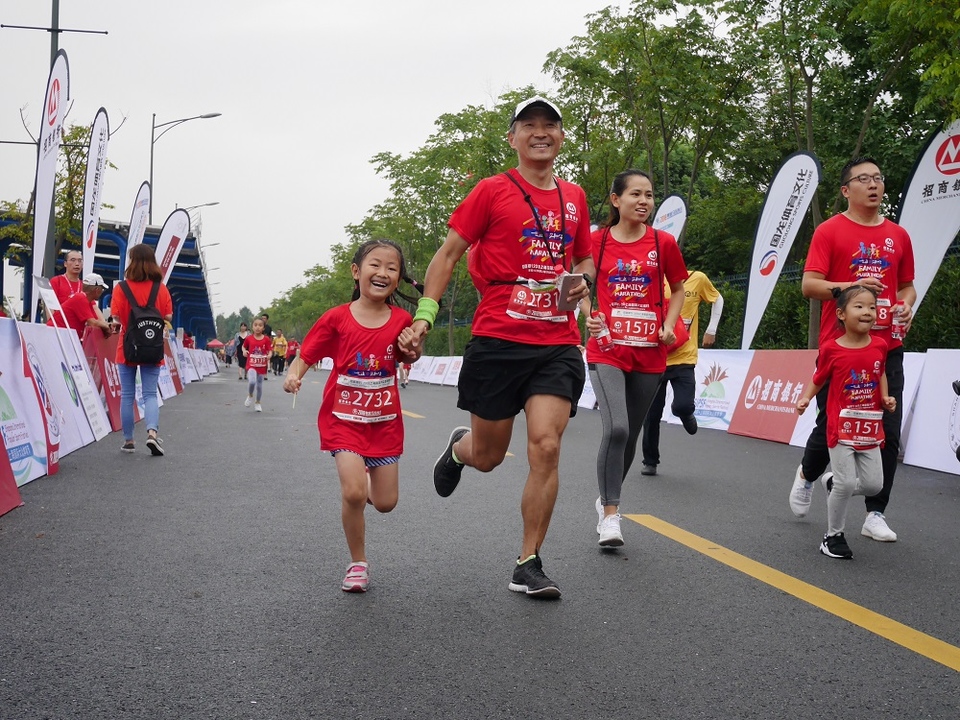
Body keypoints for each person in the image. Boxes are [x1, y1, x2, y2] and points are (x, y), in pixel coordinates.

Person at [401, 96, 594, 598]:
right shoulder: (491, 191)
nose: (540, 132)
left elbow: (585, 260)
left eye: (549, 125)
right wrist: (425, 316)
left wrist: (581, 286)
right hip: (498, 337)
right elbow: (447, 255)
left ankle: (528, 562)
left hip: (556, 341)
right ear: (513, 139)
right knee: (489, 455)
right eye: (528, 125)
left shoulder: (575, 197)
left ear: (561, 137)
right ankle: (461, 450)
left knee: (547, 447)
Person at [283, 239, 422, 592]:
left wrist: (412, 350)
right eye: (375, 265)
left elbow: (409, 356)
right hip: (343, 420)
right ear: (357, 272)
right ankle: (358, 563)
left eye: (392, 269)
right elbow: (308, 353)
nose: (383, 273)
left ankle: (364, 490)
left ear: (398, 279)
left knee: (386, 503)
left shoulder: (403, 319)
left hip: (384, 423)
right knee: (355, 493)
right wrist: (294, 374)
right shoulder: (336, 318)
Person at [789, 157, 915, 543]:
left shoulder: (899, 235)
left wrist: (907, 305)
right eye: (864, 179)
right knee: (831, 427)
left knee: (887, 432)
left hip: (885, 348)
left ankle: (875, 512)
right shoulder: (830, 232)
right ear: (846, 190)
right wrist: (850, 286)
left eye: (878, 178)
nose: (874, 185)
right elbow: (810, 285)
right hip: (839, 349)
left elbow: (907, 284)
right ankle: (809, 474)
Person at [581, 169, 687, 547]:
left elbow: (679, 289)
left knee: (630, 438)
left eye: (649, 195)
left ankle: (605, 498)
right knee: (618, 429)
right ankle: (612, 513)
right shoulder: (597, 242)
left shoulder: (663, 242)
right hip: (607, 349)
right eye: (635, 195)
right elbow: (581, 286)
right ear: (616, 200)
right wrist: (588, 313)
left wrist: (671, 325)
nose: (644, 201)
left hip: (650, 352)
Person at [795, 286, 896, 559]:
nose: (867, 312)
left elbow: (881, 372)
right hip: (840, 429)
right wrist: (805, 399)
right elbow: (818, 378)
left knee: (874, 485)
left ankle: (832, 483)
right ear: (841, 314)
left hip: (869, 428)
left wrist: (885, 397)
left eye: (872, 307)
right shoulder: (831, 349)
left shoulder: (880, 345)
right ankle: (833, 536)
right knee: (847, 484)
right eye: (859, 306)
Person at [640, 269, 723, 476]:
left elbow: (717, 298)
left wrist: (711, 329)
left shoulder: (697, 278)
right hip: (656, 357)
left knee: (683, 405)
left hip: (684, 357)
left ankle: (685, 413)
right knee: (652, 414)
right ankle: (650, 461)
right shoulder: (652, 280)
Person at [110, 244, 174, 456]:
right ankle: (152, 434)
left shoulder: (121, 288)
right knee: (149, 394)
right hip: (152, 346)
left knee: (127, 395)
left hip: (127, 346)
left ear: (132, 261)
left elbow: (117, 318)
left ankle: (129, 440)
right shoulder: (161, 288)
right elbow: (167, 317)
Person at [49, 273, 113, 339]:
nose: (102, 292)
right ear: (97, 290)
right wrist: (107, 326)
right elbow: (93, 323)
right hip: (57, 334)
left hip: (60, 333)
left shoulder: (84, 299)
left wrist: (107, 325)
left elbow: (96, 321)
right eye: (102, 289)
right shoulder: (81, 299)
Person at [242, 318, 272, 412]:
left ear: (263, 328)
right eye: (255, 325)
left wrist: (269, 355)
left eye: (260, 325)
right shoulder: (249, 338)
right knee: (252, 381)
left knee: (259, 385)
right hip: (251, 364)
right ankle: (250, 395)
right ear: (252, 327)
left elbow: (270, 350)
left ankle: (258, 402)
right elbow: (244, 346)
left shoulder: (266, 339)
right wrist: (244, 351)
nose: (257, 327)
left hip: (262, 366)